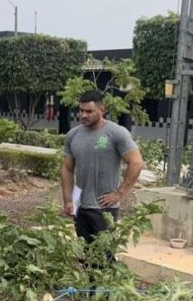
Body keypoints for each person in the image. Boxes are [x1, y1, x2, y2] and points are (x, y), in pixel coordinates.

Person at [61, 89, 144, 247]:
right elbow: (67, 168)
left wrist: (119, 193)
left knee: (105, 256)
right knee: (85, 255)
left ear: (102, 110)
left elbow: (137, 163)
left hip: (104, 208)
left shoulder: (116, 133)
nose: (84, 115)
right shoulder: (73, 135)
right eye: (81, 110)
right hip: (80, 206)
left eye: (89, 111)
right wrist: (68, 199)